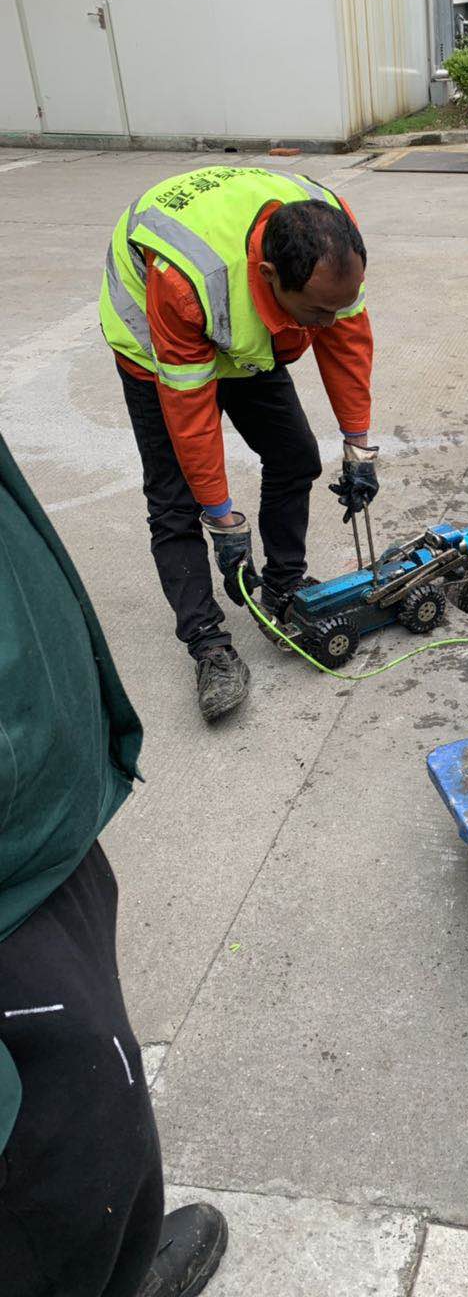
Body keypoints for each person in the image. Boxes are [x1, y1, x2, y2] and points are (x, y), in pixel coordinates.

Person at [0, 430, 227, 1297]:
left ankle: (115, 1273)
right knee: (61, 1158)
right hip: (10, 900)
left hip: (42, 829)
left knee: (104, 1126)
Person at [100, 166, 379, 722]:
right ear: (271, 274)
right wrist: (223, 519)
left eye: (336, 306)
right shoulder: (190, 281)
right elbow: (190, 415)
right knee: (176, 501)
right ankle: (209, 645)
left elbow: (345, 339)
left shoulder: (333, 244)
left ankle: (281, 589)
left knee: (296, 457)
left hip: (242, 328)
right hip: (159, 349)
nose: (328, 321)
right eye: (317, 312)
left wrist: (358, 445)